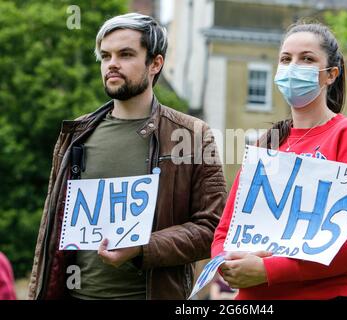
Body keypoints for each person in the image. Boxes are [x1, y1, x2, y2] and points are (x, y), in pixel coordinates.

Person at [28, 13, 226, 300]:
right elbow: (52, 232)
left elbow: (213, 228)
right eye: (105, 56)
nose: (112, 64)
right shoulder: (76, 134)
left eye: (126, 54)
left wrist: (143, 247)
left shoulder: (193, 135)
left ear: (155, 63)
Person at [211, 22, 347, 299]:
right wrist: (226, 262)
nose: (293, 66)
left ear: (331, 74)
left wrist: (269, 270)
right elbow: (226, 230)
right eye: (286, 59)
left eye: (307, 58)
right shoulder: (266, 143)